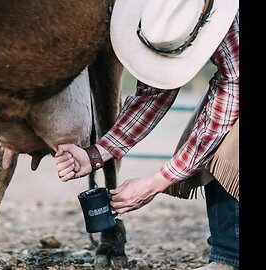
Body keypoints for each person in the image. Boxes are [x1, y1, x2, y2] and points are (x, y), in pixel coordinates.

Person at [54, 0, 239, 269]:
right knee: (208, 132)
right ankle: (228, 253)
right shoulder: (169, 15)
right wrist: (95, 154)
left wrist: (155, 183)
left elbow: (224, 111)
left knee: (228, 141)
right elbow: (154, 94)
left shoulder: (230, 23)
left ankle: (230, 256)